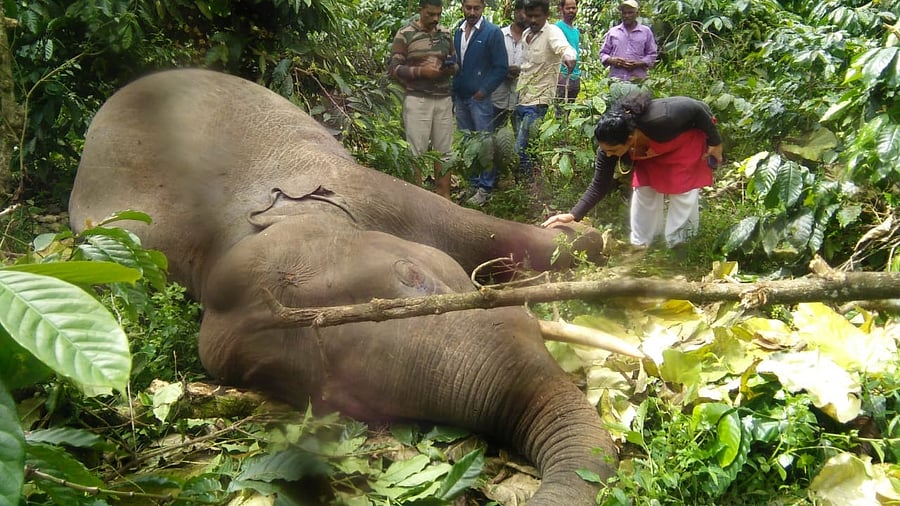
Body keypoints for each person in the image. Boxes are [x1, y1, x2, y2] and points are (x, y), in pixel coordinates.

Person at [542, 92, 723, 248]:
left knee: (682, 189)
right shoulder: (608, 148)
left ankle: (680, 245)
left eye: (613, 150)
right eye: (605, 150)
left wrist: (715, 142)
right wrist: (573, 215)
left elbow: (695, 108)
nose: (609, 154)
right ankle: (641, 245)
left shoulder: (663, 118)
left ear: (629, 139)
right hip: (648, 150)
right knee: (644, 188)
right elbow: (599, 185)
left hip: (683, 141)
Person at [388, 0, 458, 199]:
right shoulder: (405, 34)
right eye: (430, 14)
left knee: (444, 151)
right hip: (417, 99)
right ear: (420, 10)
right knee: (415, 152)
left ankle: (444, 198)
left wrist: (447, 68)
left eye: (438, 14)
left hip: (443, 98)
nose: (435, 19)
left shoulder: (445, 34)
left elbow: (456, 64)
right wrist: (421, 71)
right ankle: (416, 201)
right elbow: (394, 69)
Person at [452, 0, 508, 206]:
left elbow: (501, 67)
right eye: (468, 8)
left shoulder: (492, 32)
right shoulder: (458, 31)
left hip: (479, 99)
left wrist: (483, 91)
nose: (472, 12)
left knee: (484, 142)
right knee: (468, 142)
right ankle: (473, 183)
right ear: (462, 7)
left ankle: (486, 187)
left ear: (483, 7)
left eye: (476, 8)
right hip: (461, 97)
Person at [515, 0, 575, 185]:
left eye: (537, 16)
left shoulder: (552, 32)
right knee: (530, 147)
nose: (533, 20)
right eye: (529, 16)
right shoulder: (526, 33)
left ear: (546, 15)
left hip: (539, 99)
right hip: (521, 96)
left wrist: (569, 57)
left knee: (521, 147)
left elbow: (564, 48)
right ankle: (533, 183)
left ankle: (531, 185)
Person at [490, 0, 528, 132]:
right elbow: (487, 61)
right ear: (516, 12)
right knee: (494, 134)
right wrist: (503, 71)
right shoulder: (498, 35)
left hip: (520, 98)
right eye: (525, 12)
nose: (528, 16)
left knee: (521, 136)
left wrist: (520, 71)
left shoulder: (532, 39)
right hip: (497, 97)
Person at [599, 0, 657, 82]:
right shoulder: (613, 32)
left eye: (630, 13)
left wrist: (638, 64)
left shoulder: (646, 32)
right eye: (624, 13)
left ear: (637, 14)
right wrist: (613, 60)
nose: (627, 15)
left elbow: (652, 54)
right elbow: (603, 53)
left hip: (638, 81)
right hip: (616, 80)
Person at [555, 0, 581, 102]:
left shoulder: (576, 31)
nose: (571, 10)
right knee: (560, 108)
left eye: (573, 8)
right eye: (568, 8)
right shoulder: (557, 28)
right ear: (562, 9)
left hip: (575, 76)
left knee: (570, 108)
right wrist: (559, 76)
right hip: (562, 76)